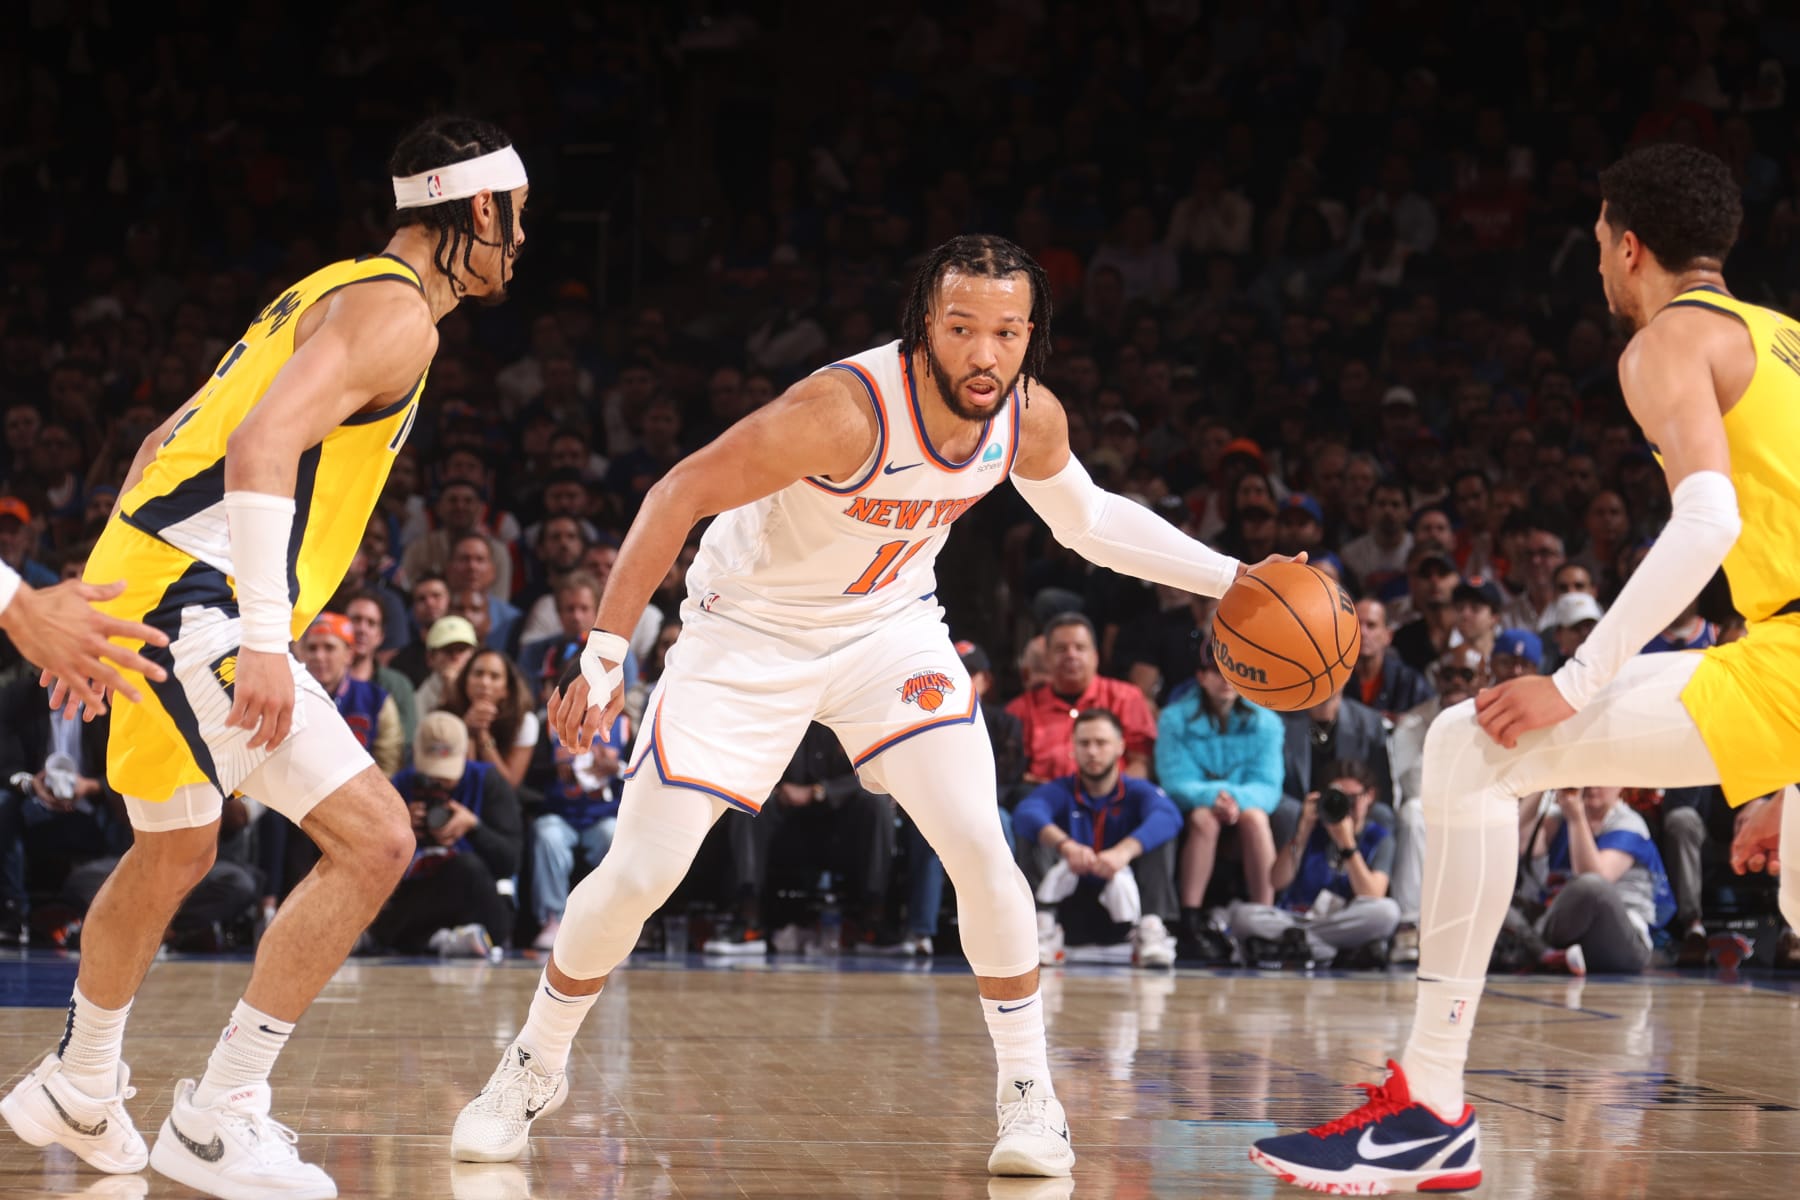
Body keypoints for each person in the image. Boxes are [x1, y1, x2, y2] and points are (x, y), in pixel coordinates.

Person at [453, 234, 1285, 1176]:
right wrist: (605, 656)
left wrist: (1234, 576)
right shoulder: (842, 413)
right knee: (641, 873)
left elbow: (1088, 519)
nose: (985, 353)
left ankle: (1029, 1095)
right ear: (924, 326)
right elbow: (677, 492)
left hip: (889, 632)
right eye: (962, 329)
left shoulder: (1027, 417)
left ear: (1031, 334)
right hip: (748, 634)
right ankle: (534, 1064)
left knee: (981, 845)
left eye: (1007, 332)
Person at [1252, 144, 1800, 1194]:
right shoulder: (1783, 341)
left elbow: (1709, 521)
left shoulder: (1668, 339)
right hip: (1779, 655)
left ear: (1629, 246)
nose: (1596, 263)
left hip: (1788, 657)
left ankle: (1428, 1108)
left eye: (1597, 242)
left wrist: (1576, 678)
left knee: (1471, 743)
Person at [0, 115, 527, 1199]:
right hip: (202, 598)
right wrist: (263, 637)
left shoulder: (323, 288)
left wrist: (98, 594)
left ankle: (82, 1082)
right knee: (378, 840)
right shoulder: (398, 314)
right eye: (518, 220)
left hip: (150, 578)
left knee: (175, 851)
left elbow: (165, 441)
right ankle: (221, 1110)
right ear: (481, 209)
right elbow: (257, 444)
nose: (521, 242)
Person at [1013, 709, 1181, 968]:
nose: (1092, 751)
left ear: (1120, 747)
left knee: (1159, 833)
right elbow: (1026, 813)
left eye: (1101, 743)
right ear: (1073, 748)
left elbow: (1169, 816)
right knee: (1034, 829)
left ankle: (1151, 928)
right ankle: (1042, 927)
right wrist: (1066, 846)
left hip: (1126, 905)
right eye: (1084, 743)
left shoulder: (1137, 791)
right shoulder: (1060, 789)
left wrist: (1123, 852)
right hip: (1068, 903)